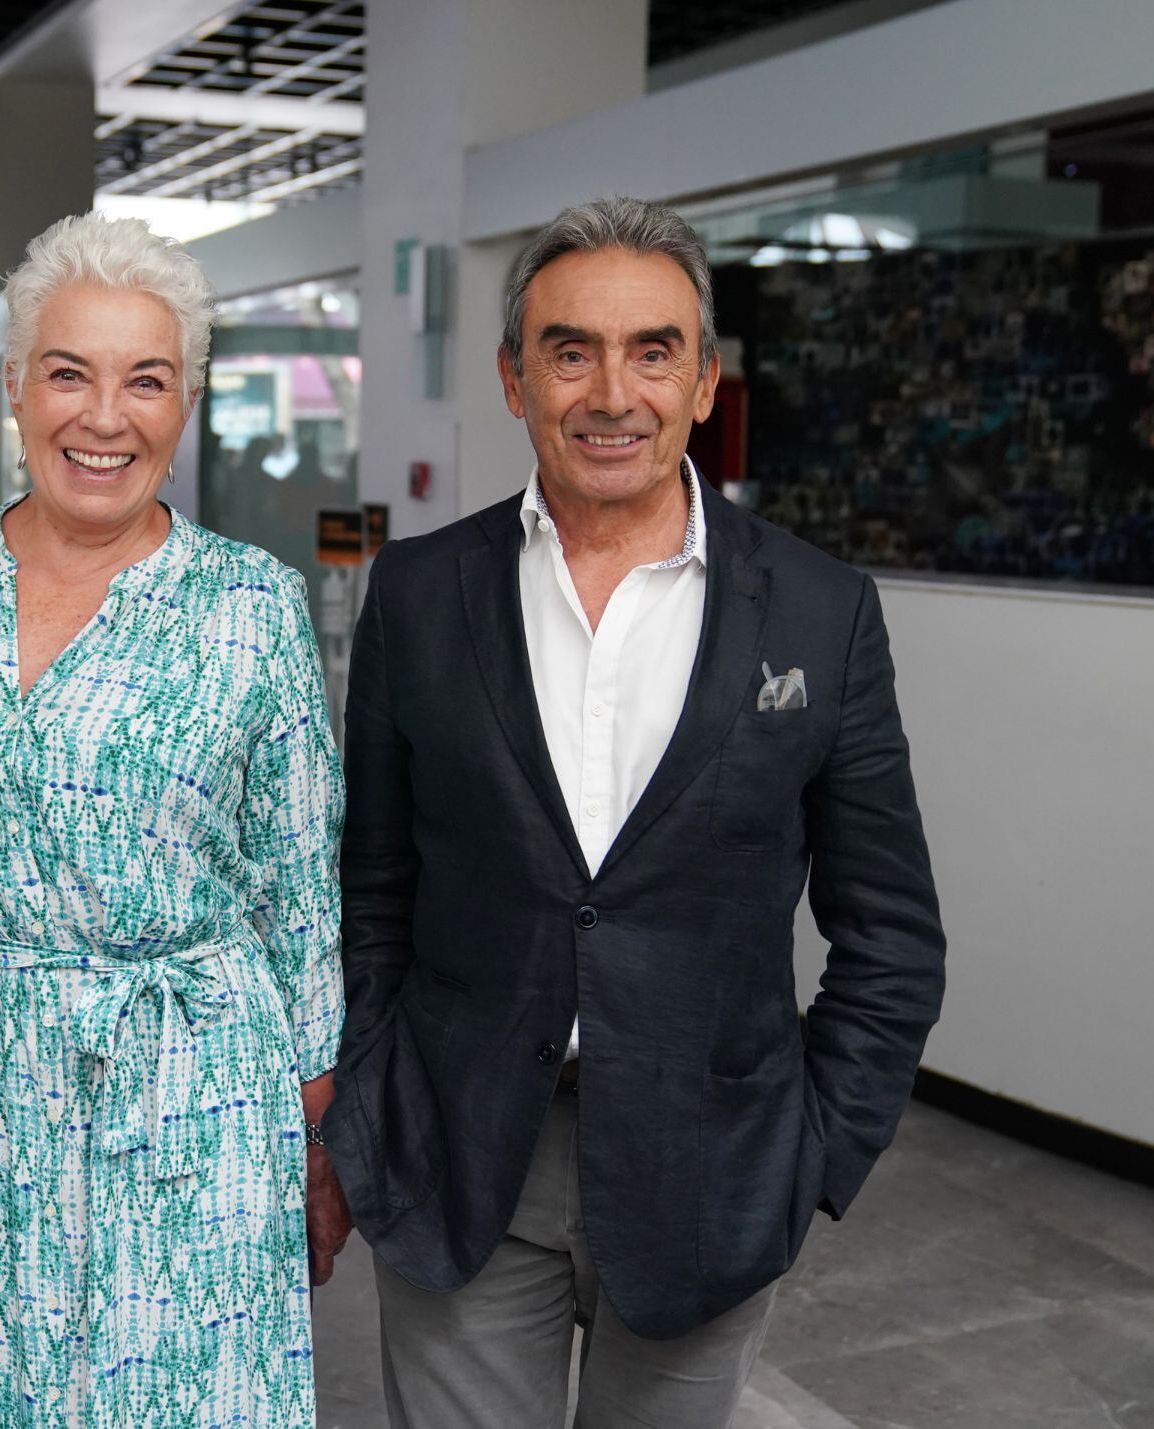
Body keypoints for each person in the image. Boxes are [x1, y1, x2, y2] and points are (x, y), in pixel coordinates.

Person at [323, 197, 948, 1428]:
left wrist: (807, 1157)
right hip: (461, 1163)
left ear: (704, 380)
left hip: (710, 1167)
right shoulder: (417, 593)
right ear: (515, 378)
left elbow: (890, 933)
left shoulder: (820, 613)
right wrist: (370, 1106)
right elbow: (371, 885)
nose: (612, 393)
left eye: (652, 350)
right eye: (570, 350)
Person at [0, 212, 348, 1426]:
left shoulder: (250, 605)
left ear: (184, 406)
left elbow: (302, 893)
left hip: (188, 1087)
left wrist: (312, 1147)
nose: (104, 415)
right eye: (68, 372)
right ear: (15, 389)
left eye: (147, 380)